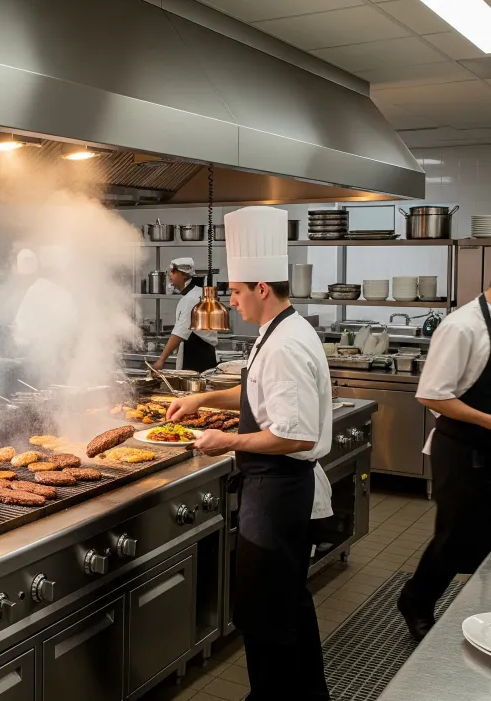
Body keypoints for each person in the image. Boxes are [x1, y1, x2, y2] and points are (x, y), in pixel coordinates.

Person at [166, 207, 330, 701]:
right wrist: (201, 400)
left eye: (236, 293)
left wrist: (227, 441)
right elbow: (255, 392)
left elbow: (295, 436)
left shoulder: (285, 346)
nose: (230, 302)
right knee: (289, 606)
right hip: (272, 489)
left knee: (266, 615)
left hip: (278, 491)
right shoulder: (277, 331)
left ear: (262, 288)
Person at [398, 285, 491, 641]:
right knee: (455, 537)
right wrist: (488, 420)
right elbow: (431, 394)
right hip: (463, 452)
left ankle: (480, 609)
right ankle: (416, 600)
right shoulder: (462, 326)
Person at [12, 248, 77, 387]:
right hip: (61, 357)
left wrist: (16, 342)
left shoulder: (34, 291)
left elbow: (21, 332)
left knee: (43, 388)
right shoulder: (60, 292)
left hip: (41, 359)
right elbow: (72, 323)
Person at [152, 257, 218, 372]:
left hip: (197, 357)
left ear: (185, 276)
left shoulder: (191, 299)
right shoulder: (197, 293)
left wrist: (161, 360)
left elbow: (179, 334)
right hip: (202, 353)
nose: (169, 275)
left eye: (173, 271)